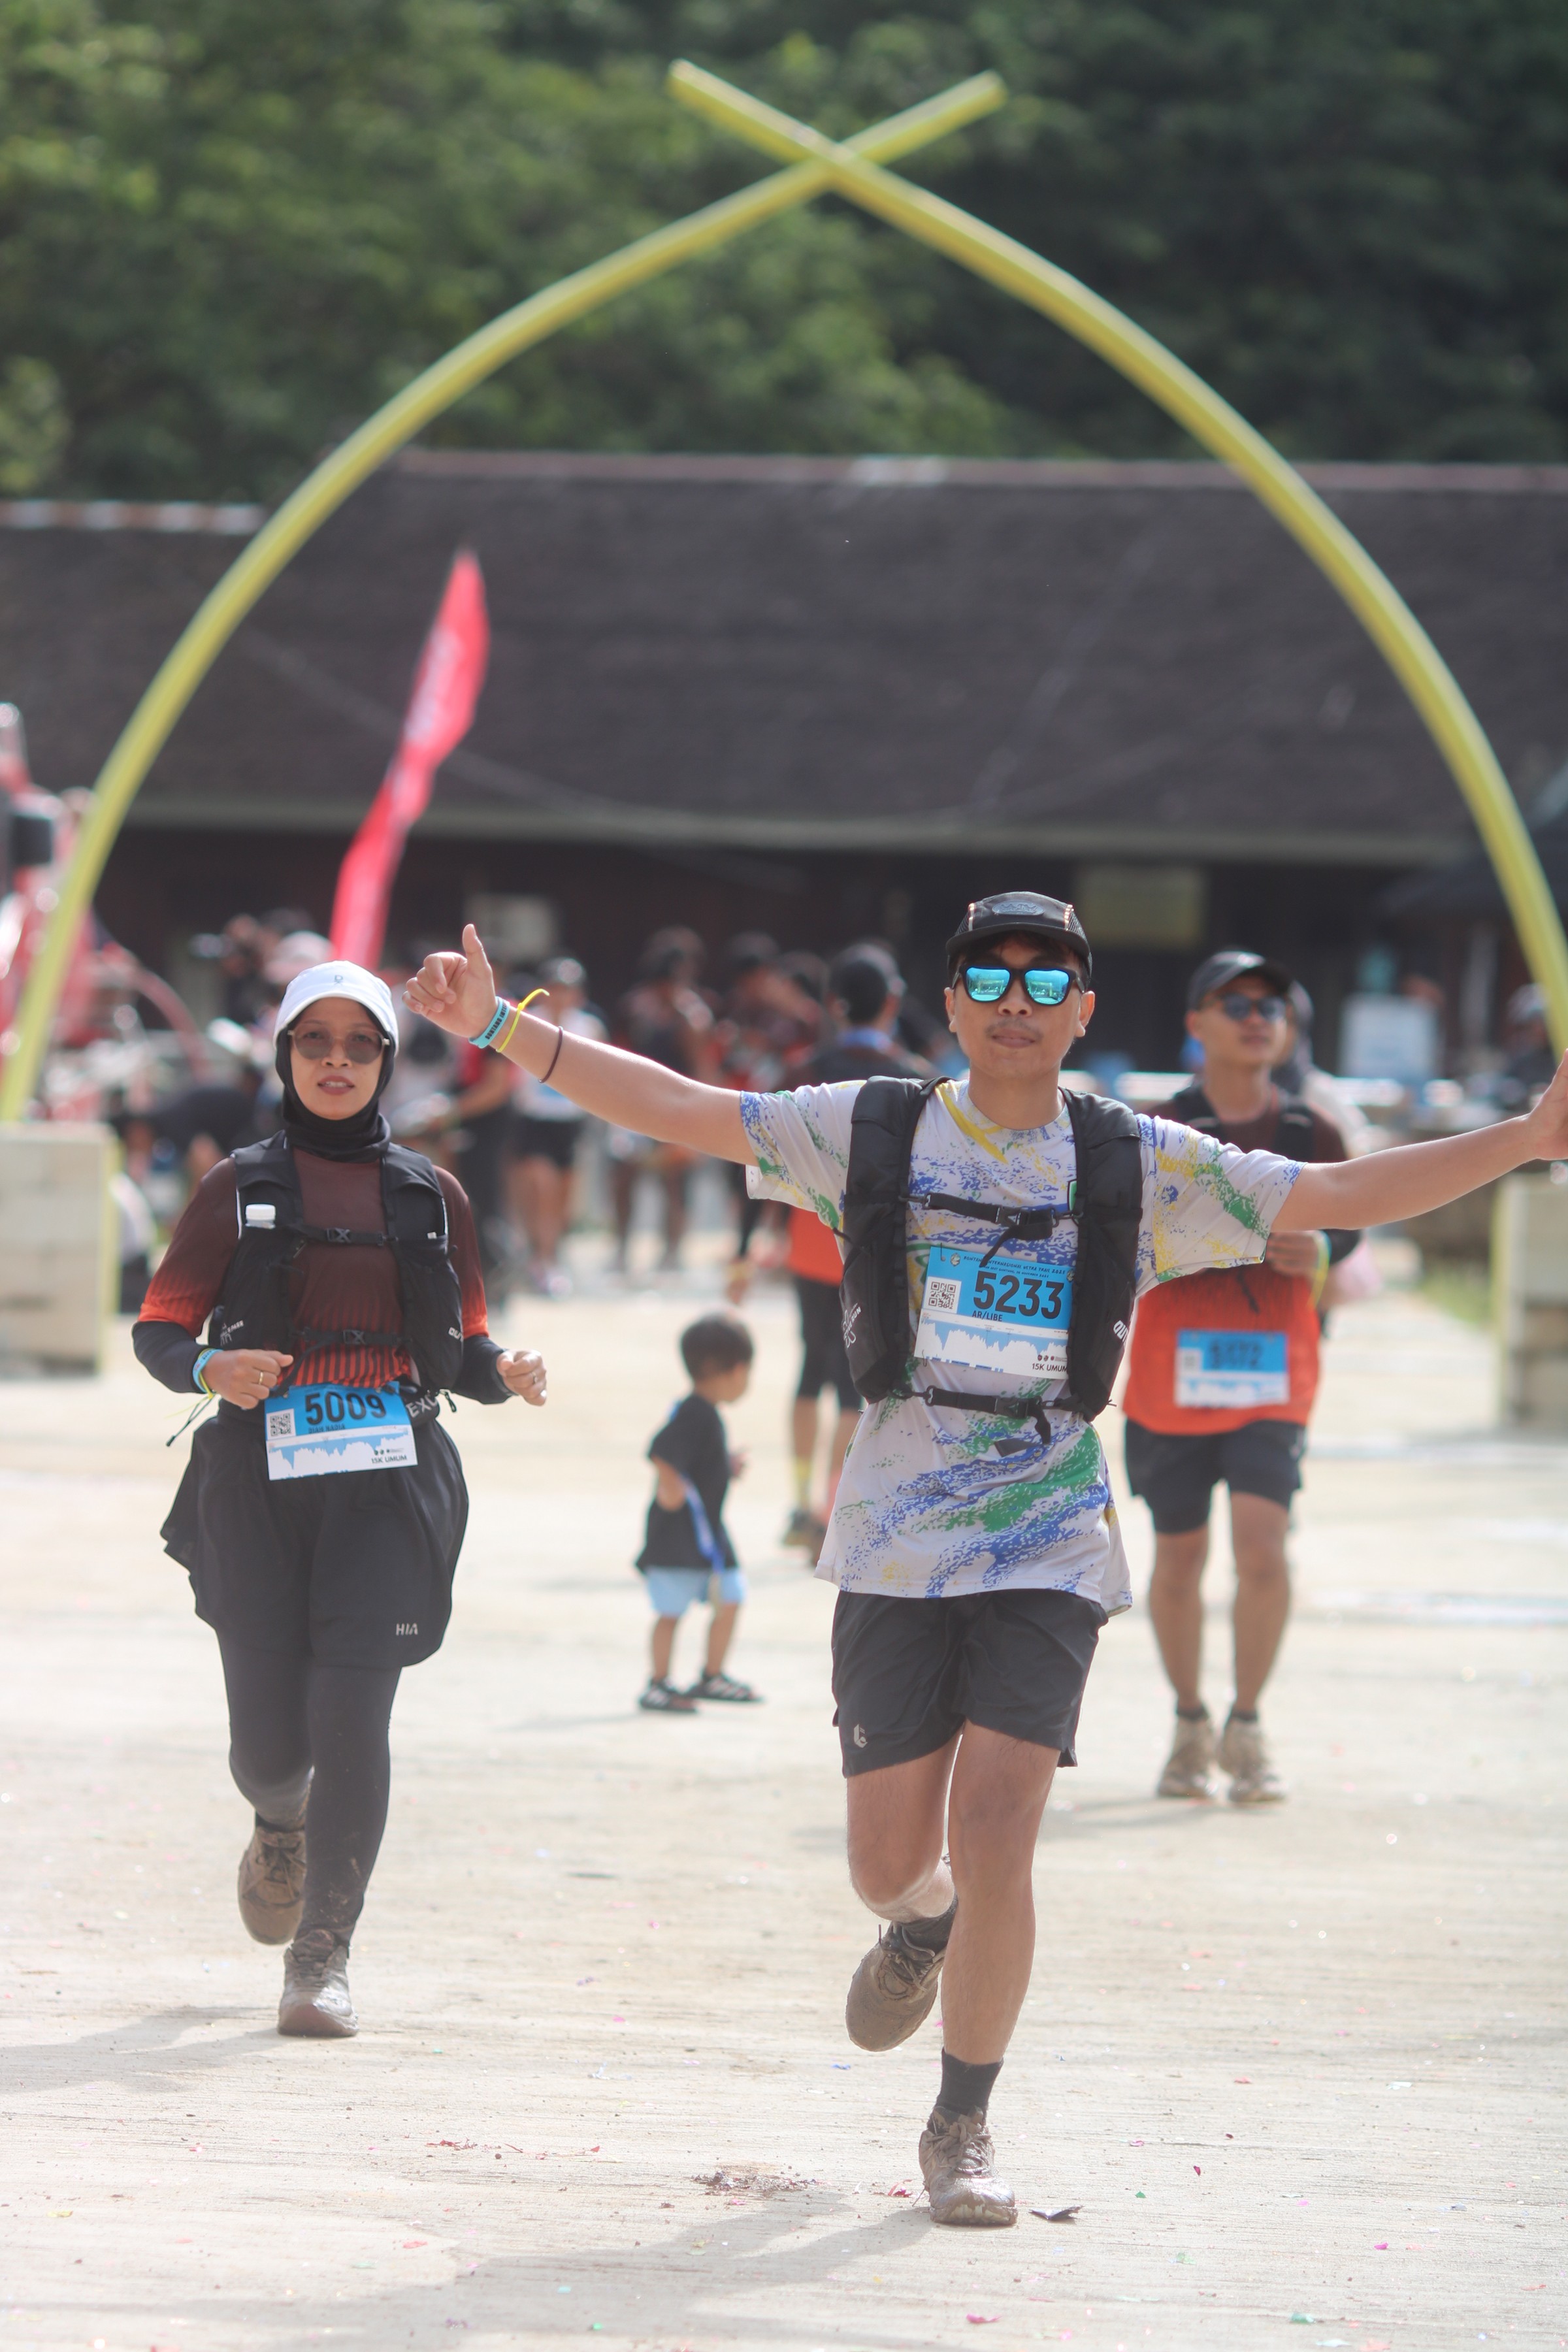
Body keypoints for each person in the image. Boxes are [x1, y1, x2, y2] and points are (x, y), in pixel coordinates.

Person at [404, 899, 1568, 2227]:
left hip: (1050, 1536)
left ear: (1085, 1011)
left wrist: (1528, 1138)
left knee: (1003, 1824)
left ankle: (962, 2119)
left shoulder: (1136, 1159)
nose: (1019, 1000)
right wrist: (501, 1029)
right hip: (893, 1539)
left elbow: (1336, 1194)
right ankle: (921, 1921)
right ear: (952, 1005)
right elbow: (684, 1107)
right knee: (888, 1861)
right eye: (991, 977)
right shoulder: (871, 1130)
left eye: (1049, 979)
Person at [131, 960, 548, 2040]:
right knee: (271, 1751)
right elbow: (160, 1327)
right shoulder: (236, 1186)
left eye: (360, 1044)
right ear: (284, 1057)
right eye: (314, 1041)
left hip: (386, 1488)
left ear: (386, 1063)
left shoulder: (432, 1194)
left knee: (354, 1714)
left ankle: (322, 1956)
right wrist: (208, 1368)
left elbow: (462, 1348)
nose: (336, 1061)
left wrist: (506, 1370)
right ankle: (281, 1820)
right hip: (257, 1489)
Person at [1120, 951, 1359, 1805]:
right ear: (1196, 1023)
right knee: (1179, 1555)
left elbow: (1355, 1223)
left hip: (1272, 1380)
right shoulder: (1156, 1129)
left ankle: (1247, 1725)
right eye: (1236, 1003)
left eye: (1273, 1006)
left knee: (1263, 1548)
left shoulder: (1313, 1132)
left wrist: (1321, 1247)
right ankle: (1189, 1722)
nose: (1257, 1018)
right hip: (1168, 1381)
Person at [778, 947, 928, 1554]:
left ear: (834, 1005)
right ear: (892, 1002)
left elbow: (763, 1155)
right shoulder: (914, 1079)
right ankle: (831, 1506)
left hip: (808, 1240)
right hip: (873, 1247)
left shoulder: (804, 1070)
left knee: (809, 1368)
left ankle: (799, 1502)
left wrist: (747, 1246)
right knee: (853, 1380)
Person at [636, 1312, 760, 1713]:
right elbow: (661, 1451)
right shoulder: (696, 1413)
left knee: (731, 1596)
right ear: (735, 1370)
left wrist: (725, 1465)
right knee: (670, 1611)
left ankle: (712, 1675)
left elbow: (692, 1458)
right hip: (679, 1535)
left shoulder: (703, 1411)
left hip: (708, 1533)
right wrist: (670, 1491)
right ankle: (658, 1683)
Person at [610, 928, 718, 1274]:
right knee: (624, 1176)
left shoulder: (694, 1017)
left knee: (675, 1182)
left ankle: (672, 1251)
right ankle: (622, 1249)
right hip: (637, 1106)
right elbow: (619, 1056)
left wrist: (703, 1117)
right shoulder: (636, 1010)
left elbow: (703, 1069)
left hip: (678, 1108)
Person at [508, 956, 606, 1296]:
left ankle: (549, 1255)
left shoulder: (589, 1027)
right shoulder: (527, 1021)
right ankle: (542, 1259)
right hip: (535, 1120)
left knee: (563, 1197)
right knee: (541, 1189)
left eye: (568, 989)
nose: (562, 996)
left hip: (570, 1122)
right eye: (555, 989)